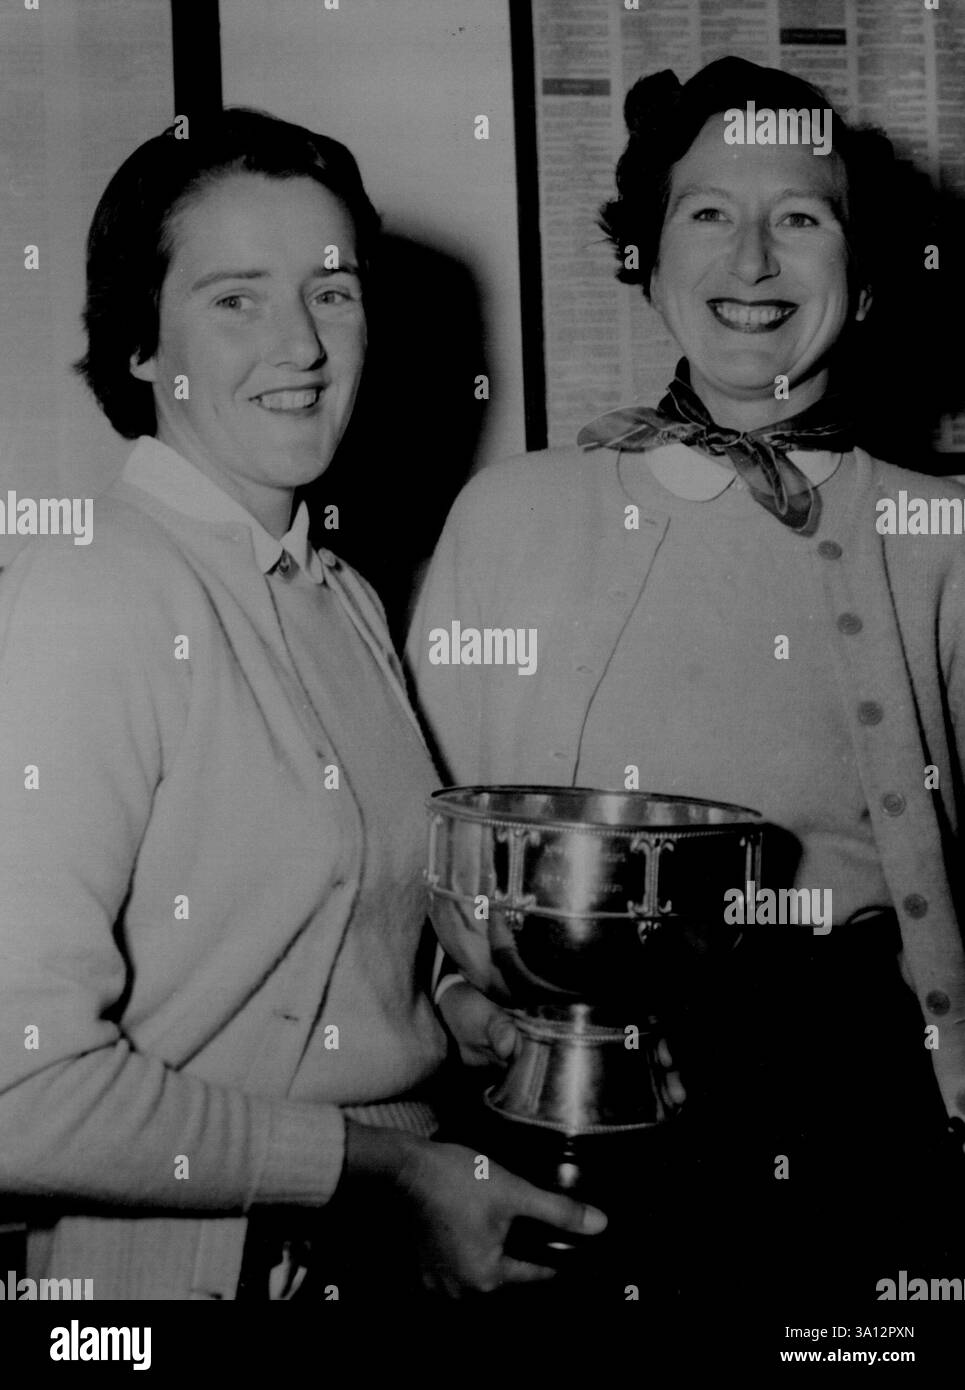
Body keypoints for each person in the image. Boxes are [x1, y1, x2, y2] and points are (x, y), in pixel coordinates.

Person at [0, 108, 607, 1301]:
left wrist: (461, 1011)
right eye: (235, 299)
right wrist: (372, 1167)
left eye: (332, 292)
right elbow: (17, 1092)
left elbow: (327, 934)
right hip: (178, 1272)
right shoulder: (92, 589)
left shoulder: (338, 592)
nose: (302, 345)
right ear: (138, 344)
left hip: (373, 1233)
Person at [409, 58, 965, 1304]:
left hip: (853, 1119)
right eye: (707, 212)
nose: (752, 259)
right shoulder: (509, 516)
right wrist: (465, 1001)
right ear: (646, 260)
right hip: (555, 1095)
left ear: (864, 277)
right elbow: (414, 837)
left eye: (801, 218)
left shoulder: (944, 540)